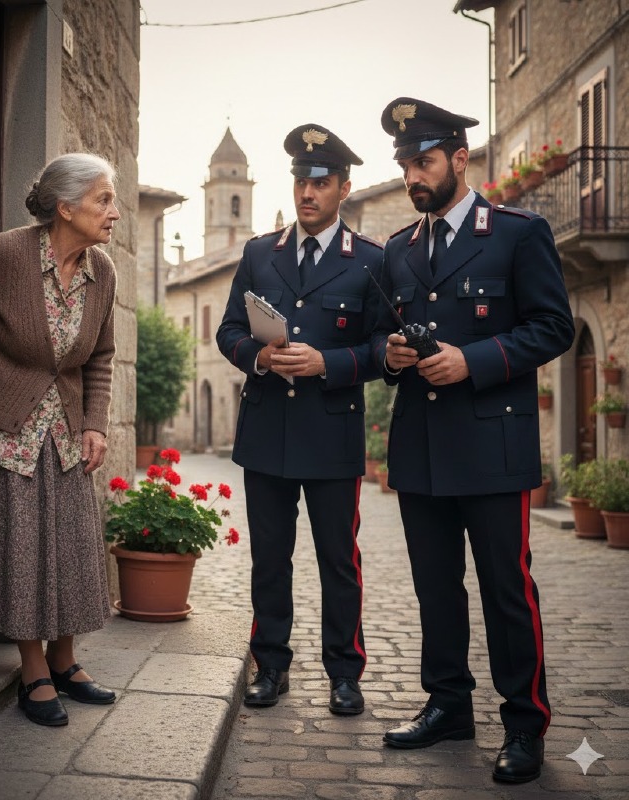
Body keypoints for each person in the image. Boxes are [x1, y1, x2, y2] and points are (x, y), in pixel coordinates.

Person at [372, 98, 575, 782]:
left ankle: (525, 724)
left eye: (423, 161)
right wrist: (390, 356)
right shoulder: (400, 247)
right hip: (421, 444)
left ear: (461, 159)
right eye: (404, 165)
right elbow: (380, 334)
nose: (412, 176)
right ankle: (448, 705)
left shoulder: (518, 232)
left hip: (493, 445)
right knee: (435, 587)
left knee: (505, 590)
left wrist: (474, 360)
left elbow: (554, 328)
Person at [0, 152, 121, 728]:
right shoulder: (7, 252)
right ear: (65, 207)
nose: (113, 212)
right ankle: (32, 671)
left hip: (62, 430)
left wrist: (94, 423)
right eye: (103, 200)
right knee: (22, 555)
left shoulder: (100, 271)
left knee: (67, 549)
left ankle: (65, 661)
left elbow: (101, 357)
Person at [216, 124, 383, 715]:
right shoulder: (261, 252)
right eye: (299, 180)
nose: (307, 191)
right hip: (267, 431)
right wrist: (256, 354)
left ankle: (345, 673)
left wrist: (328, 362)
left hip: (332, 433)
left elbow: (384, 351)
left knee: (340, 560)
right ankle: (271, 666)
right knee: (269, 557)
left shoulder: (369, 261)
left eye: (320, 181)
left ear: (343, 187)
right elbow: (228, 329)